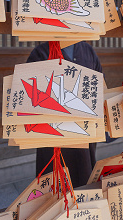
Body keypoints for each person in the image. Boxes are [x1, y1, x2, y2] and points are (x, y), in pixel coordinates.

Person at [27, 42, 103, 187]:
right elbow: (29, 95)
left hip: (84, 134)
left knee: (84, 179)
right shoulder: (41, 52)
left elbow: (99, 88)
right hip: (52, 137)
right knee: (53, 189)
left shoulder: (87, 51)